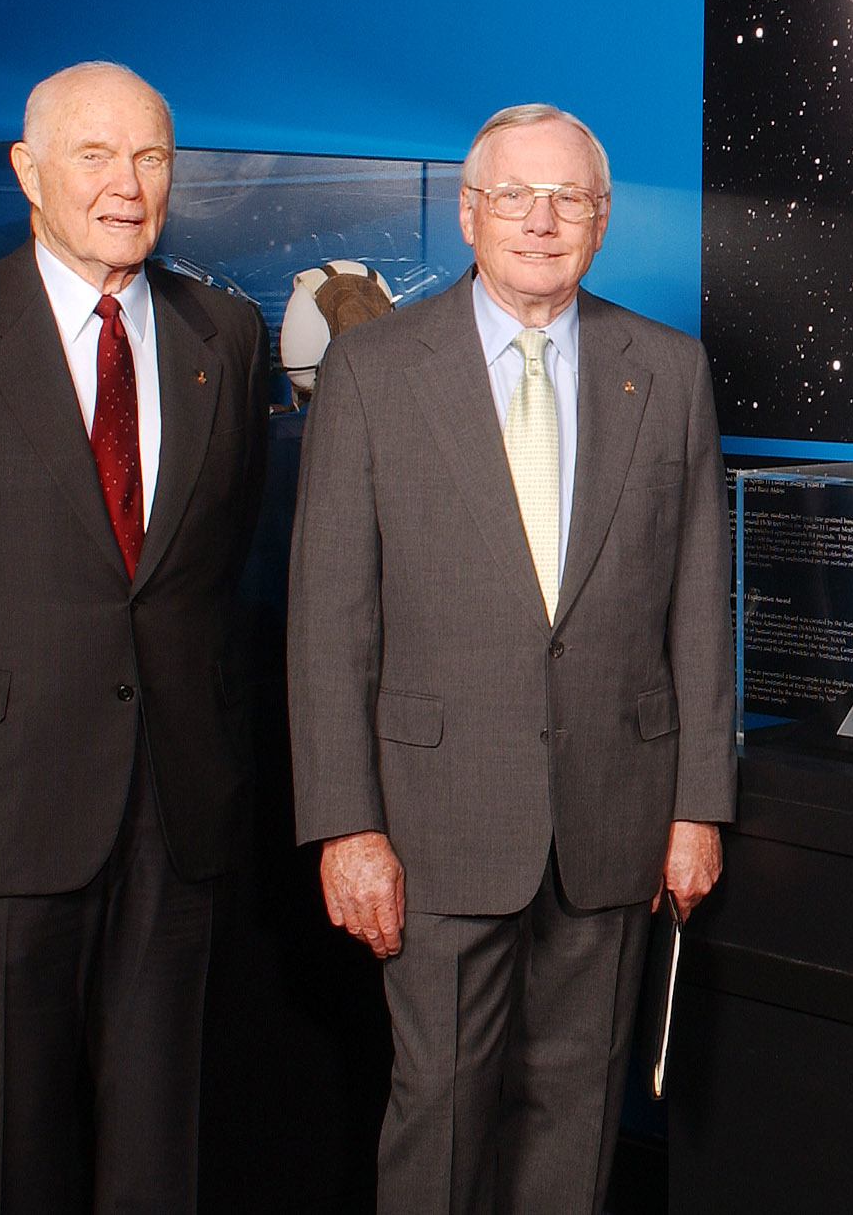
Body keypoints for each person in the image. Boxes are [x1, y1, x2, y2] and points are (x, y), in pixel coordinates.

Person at [0, 61, 271, 1214]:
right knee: (0, 1141)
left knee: (158, 1136)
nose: (126, 185)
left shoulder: (223, 333)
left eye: (151, 158)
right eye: (93, 154)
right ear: (28, 171)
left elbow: (227, 567)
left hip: (175, 808)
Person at [287, 103, 735, 1215]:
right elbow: (329, 618)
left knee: (576, 1109)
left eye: (570, 198)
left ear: (602, 218)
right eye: (516, 198)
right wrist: (347, 828)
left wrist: (696, 808)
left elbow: (694, 601)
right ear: (471, 212)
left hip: (615, 817)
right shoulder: (375, 370)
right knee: (437, 1109)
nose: (543, 221)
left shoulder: (668, 371)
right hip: (433, 822)